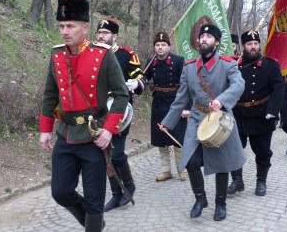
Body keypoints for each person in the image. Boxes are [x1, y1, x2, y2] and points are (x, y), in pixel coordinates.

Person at [39, 0, 130, 231]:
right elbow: (50, 94)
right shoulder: (57, 55)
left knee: (94, 199)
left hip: (94, 136)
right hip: (66, 134)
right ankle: (94, 224)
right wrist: (45, 130)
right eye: (61, 26)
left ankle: (94, 224)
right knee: (60, 191)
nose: (65, 31)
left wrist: (109, 130)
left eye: (71, 26)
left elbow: (121, 95)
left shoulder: (103, 54)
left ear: (85, 27)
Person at [160, 24, 246, 221]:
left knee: (222, 164)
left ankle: (220, 204)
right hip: (197, 118)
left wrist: (222, 99)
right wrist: (168, 122)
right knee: (190, 160)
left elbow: (239, 84)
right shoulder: (190, 67)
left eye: (209, 36)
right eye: (202, 36)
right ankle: (201, 199)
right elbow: (181, 98)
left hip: (220, 119)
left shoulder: (227, 64)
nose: (204, 39)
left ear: (216, 42)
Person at [96, 18, 146, 212]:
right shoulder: (91, 53)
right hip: (99, 113)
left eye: (105, 33)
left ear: (114, 36)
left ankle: (129, 185)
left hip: (120, 111)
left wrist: (136, 84)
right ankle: (116, 194)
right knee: (105, 155)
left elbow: (140, 77)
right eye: (99, 32)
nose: (101, 36)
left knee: (116, 155)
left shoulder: (127, 55)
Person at [228, 30, 284, 197]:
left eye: (255, 44)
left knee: (262, 151)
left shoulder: (271, 65)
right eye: (249, 44)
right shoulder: (233, 65)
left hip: (262, 114)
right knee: (234, 149)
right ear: (243, 46)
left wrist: (273, 111)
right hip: (238, 114)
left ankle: (261, 181)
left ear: (259, 44)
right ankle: (237, 180)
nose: (253, 47)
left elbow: (278, 88)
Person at [144, 31, 190, 181]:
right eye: (157, 45)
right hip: (158, 102)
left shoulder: (178, 61)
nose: (160, 48)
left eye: (163, 45)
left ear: (169, 47)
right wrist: (136, 83)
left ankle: (182, 169)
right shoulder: (151, 62)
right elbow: (144, 79)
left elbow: (186, 85)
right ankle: (166, 171)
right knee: (160, 139)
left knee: (177, 138)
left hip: (175, 103)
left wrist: (186, 107)